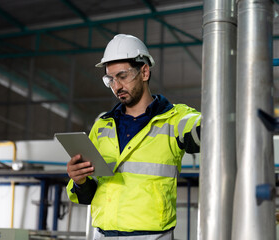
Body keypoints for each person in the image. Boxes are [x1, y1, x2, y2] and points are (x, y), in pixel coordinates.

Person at [66, 34, 201, 240]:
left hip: (152, 236)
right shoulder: (102, 125)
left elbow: (208, 130)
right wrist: (79, 180)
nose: (116, 86)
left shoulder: (175, 119)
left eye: (122, 76)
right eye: (110, 79)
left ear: (144, 72)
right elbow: (88, 194)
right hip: (102, 235)